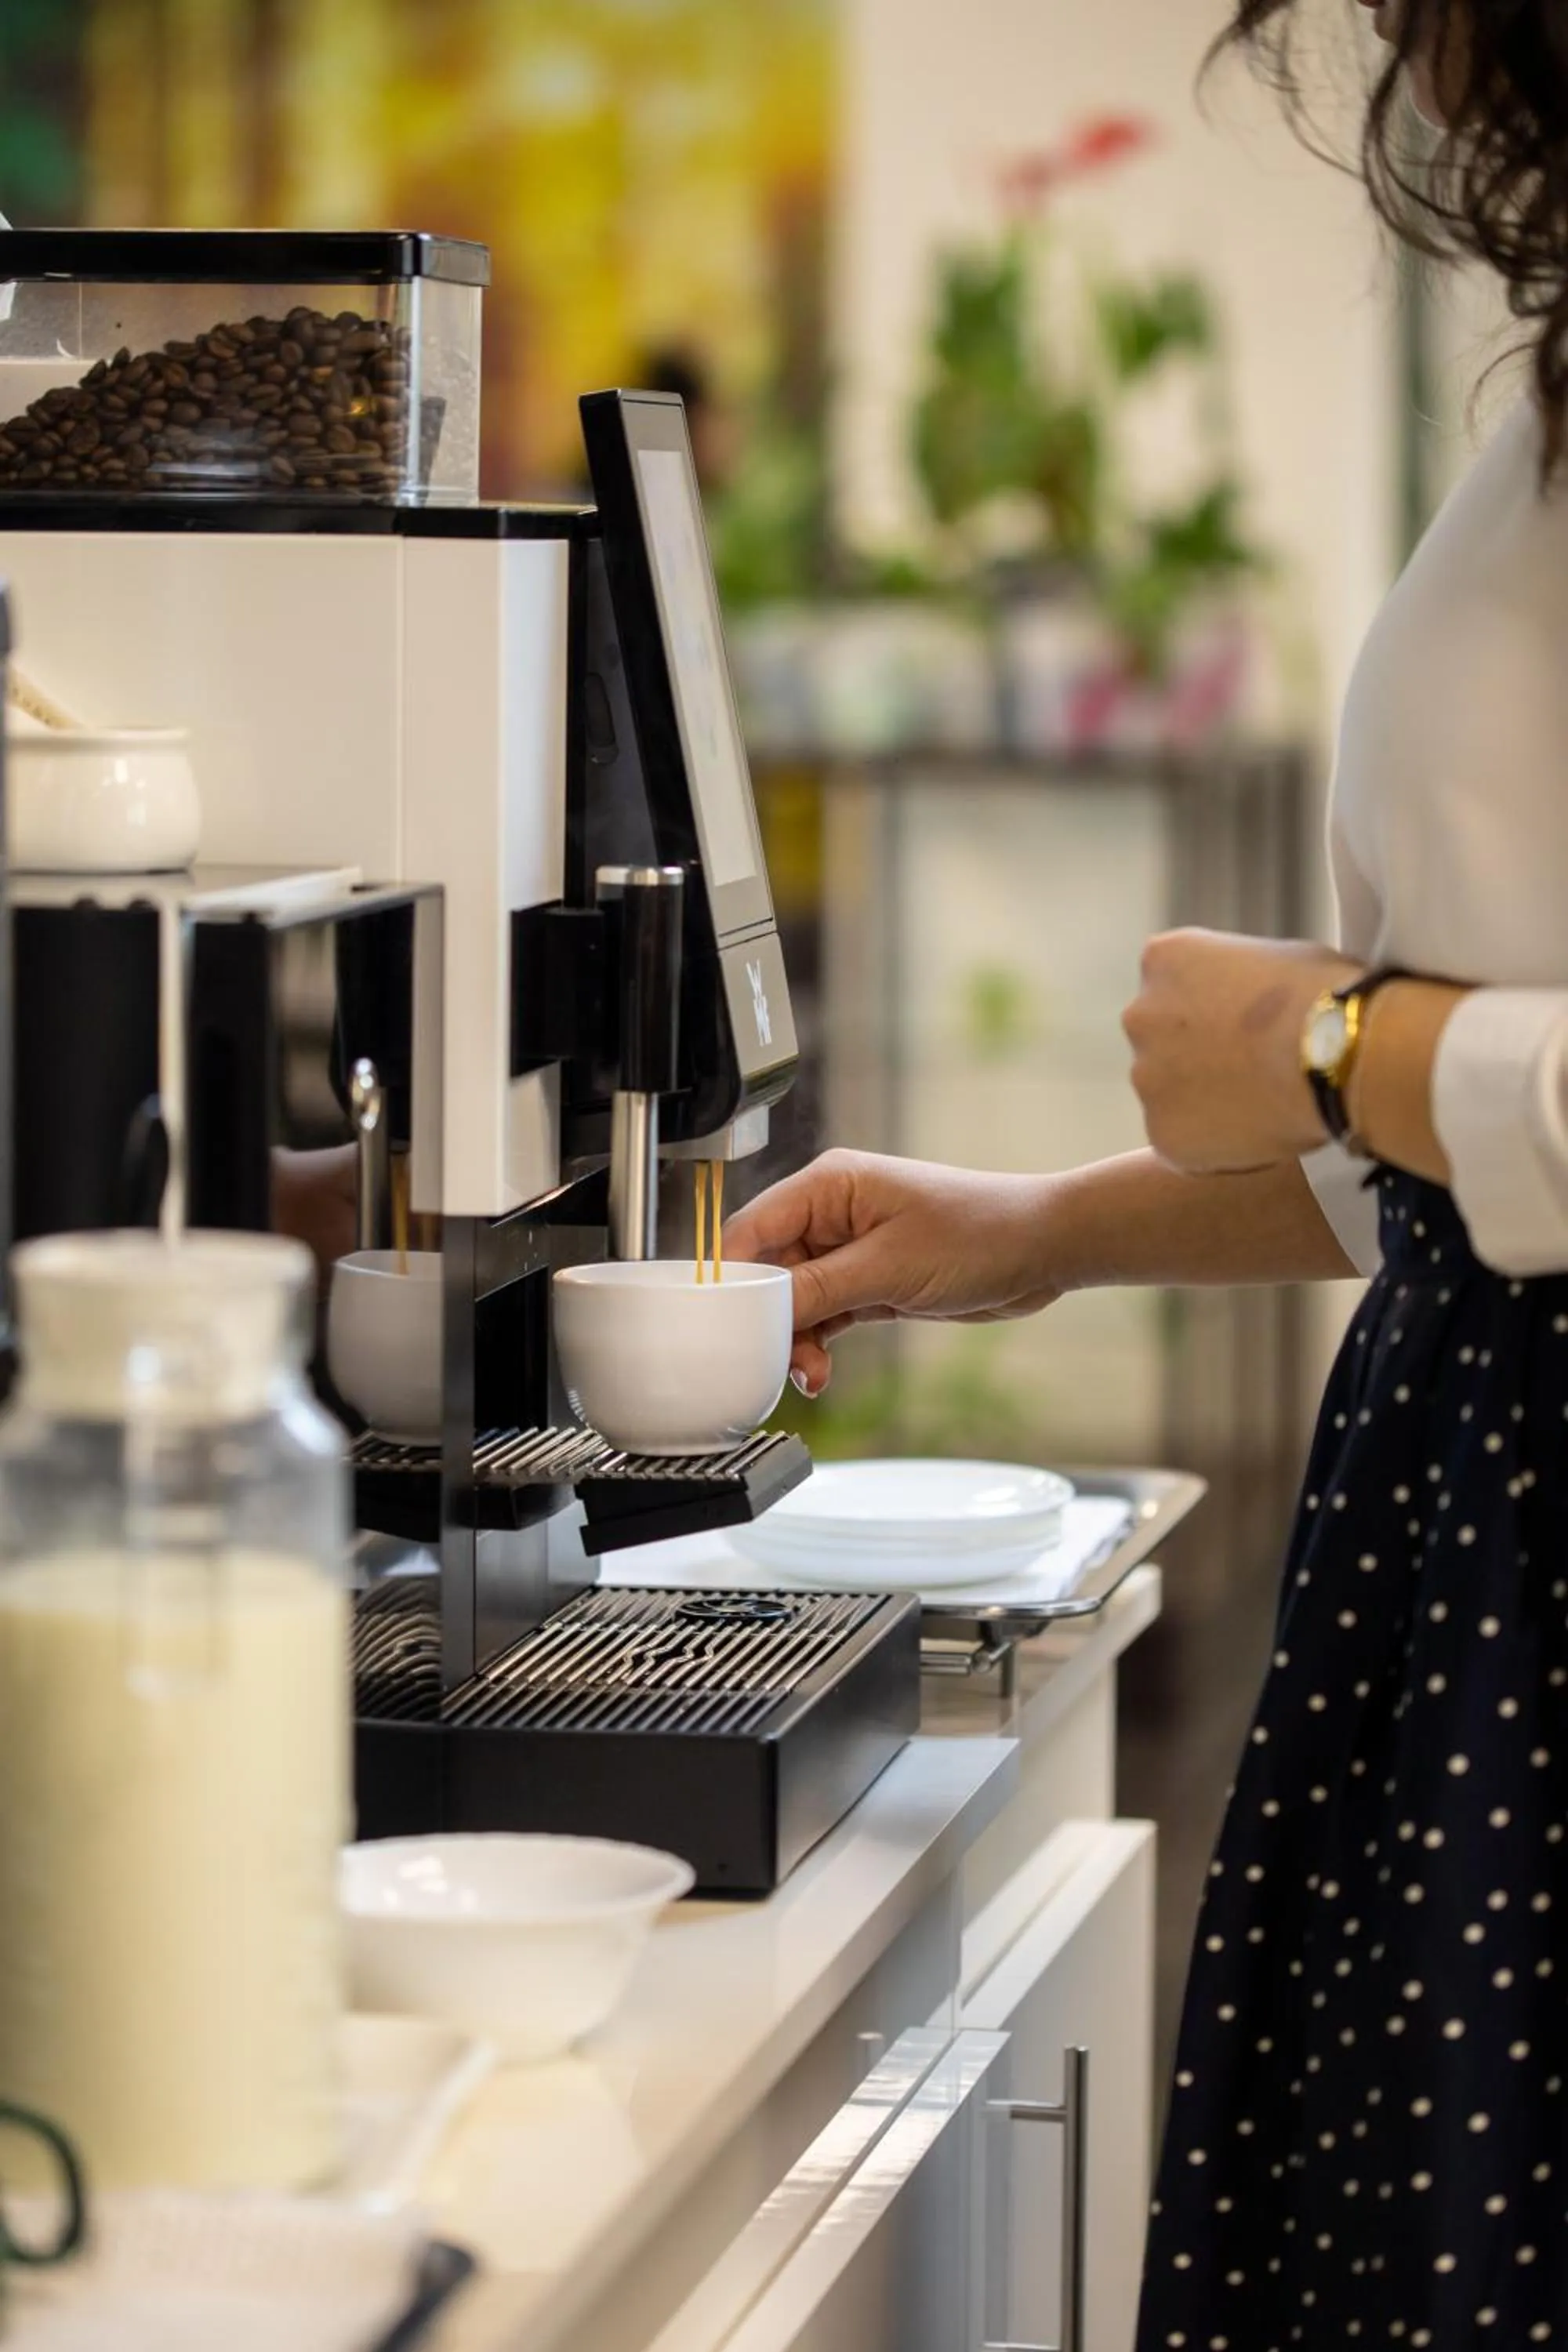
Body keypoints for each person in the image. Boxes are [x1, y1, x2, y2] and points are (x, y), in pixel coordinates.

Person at [725, 3, 1568, 2342]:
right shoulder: (1542, 390)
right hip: (1463, 1541)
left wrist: (1324, 1040)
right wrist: (1040, 1230)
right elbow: (1498, 1159)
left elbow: (1438, 1078)